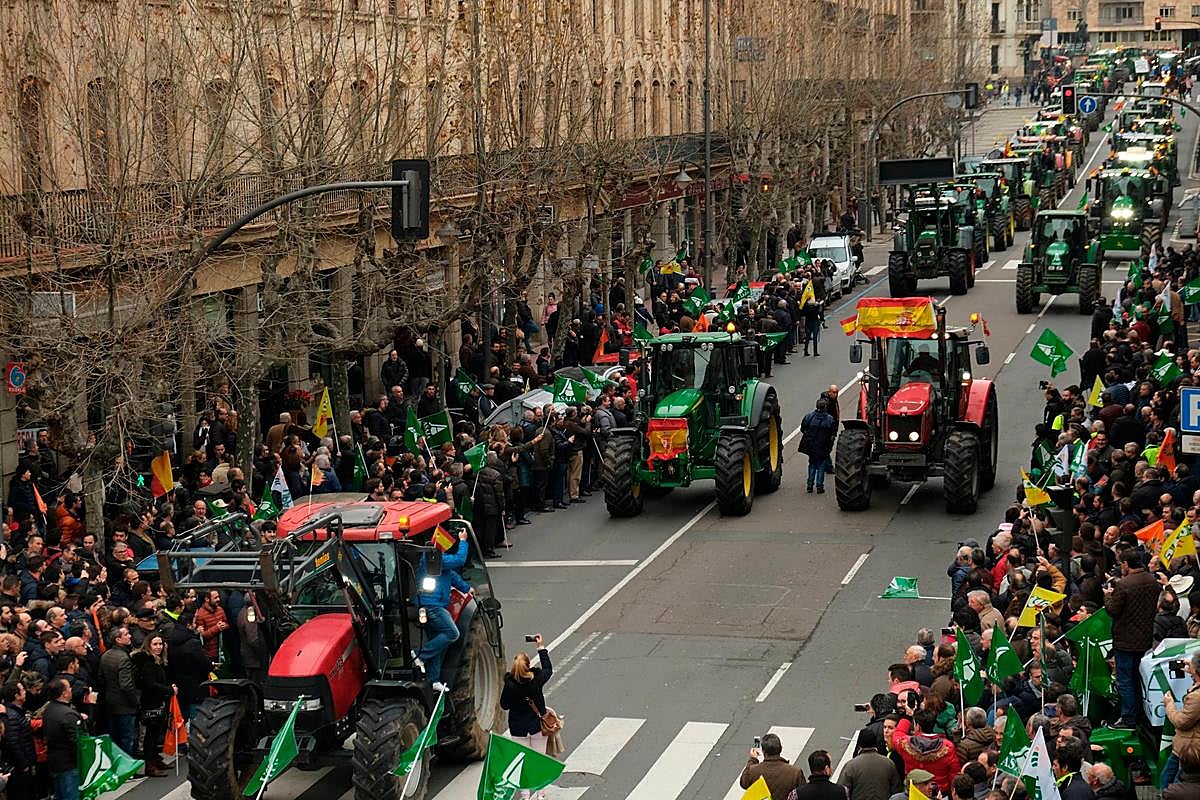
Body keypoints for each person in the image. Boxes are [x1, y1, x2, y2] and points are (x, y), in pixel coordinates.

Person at [1105, 549, 1160, 728]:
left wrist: (1108, 596)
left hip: (1126, 641)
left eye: (1122, 563)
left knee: (1126, 680)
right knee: (1138, 678)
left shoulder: (1124, 584)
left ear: (1126, 564)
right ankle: (1140, 714)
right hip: (1144, 638)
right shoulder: (1151, 580)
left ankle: (1128, 718)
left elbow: (1113, 610)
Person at [416, 529, 471, 688]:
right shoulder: (434, 559)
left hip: (429, 604)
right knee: (452, 633)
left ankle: (433, 680)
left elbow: (451, 576)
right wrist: (463, 541)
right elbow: (460, 560)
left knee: (437, 641)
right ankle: (420, 656)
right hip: (433, 605)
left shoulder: (437, 562)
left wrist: (467, 588)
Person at [499, 635, 554, 775]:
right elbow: (548, 668)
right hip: (536, 726)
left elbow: (504, 705)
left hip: (518, 728)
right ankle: (540, 794)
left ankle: (525, 795)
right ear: (528, 666)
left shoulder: (510, 686)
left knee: (522, 764)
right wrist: (540, 647)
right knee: (539, 761)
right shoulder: (537, 680)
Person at [133, 633, 173, 777]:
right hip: (149, 703)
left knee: (155, 733)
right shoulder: (148, 662)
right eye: (155, 644)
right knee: (150, 735)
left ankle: (155, 759)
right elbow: (150, 684)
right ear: (148, 645)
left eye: (160, 644)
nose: (158, 647)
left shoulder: (158, 661)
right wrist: (169, 690)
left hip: (157, 701)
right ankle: (150, 765)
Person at [99, 626, 140, 757]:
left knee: (115, 739)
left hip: (110, 703)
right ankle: (129, 770)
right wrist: (135, 702)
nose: (130, 636)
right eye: (126, 634)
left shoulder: (105, 655)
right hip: (125, 705)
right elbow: (126, 685)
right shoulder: (123, 658)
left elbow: (101, 678)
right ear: (118, 639)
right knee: (127, 738)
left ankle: (117, 767)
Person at [44, 677, 82, 800]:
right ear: (64, 693)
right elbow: (78, 741)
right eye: (69, 687)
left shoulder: (49, 709)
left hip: (55, 761)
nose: (71, 689)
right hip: (69, 764)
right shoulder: (68, 714)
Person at [740, 732, 806, 800]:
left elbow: (744, 783)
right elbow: (803, 794)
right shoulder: (795, 772)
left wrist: (753, 759)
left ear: (763, 752)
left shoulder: (753, 771)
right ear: (781, 749)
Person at [839, 728, 900, 800]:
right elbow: (896, 789)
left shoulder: (850, 766)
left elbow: (842, 791)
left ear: (859, 745)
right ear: (875, 743)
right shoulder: (889, 763)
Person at [800, 398, 837, 494]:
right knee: (821, 465)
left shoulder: (809, 417)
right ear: (825, 407)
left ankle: (810, 484)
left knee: (812, 464)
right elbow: (833, 434)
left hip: (811, 446)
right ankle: (819, 486)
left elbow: (803, 428)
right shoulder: (830, 419)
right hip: (823, 446)